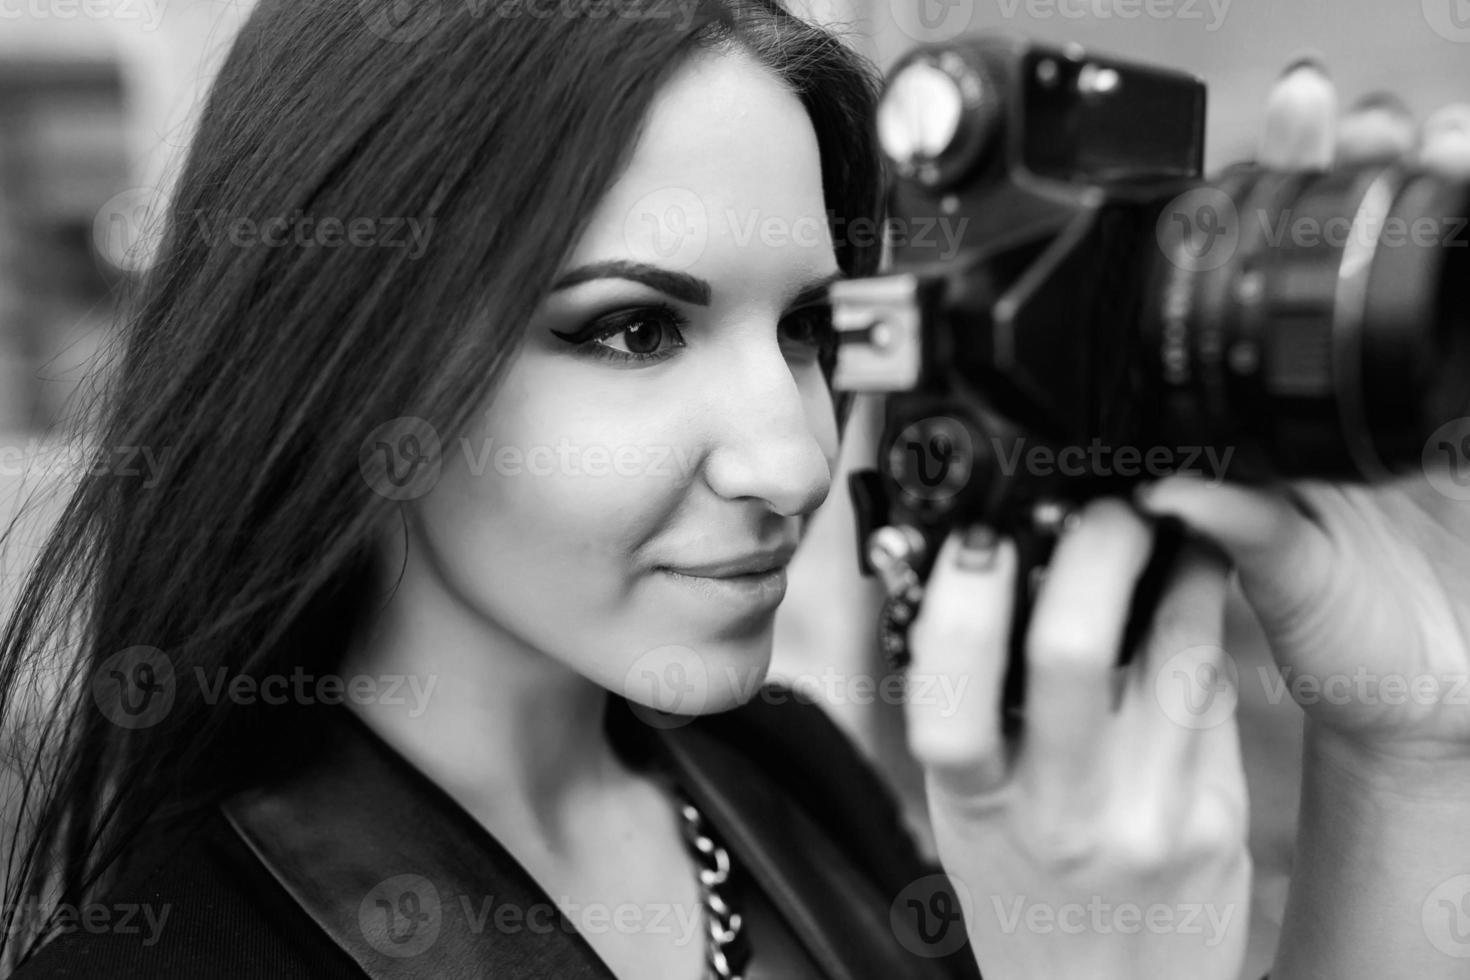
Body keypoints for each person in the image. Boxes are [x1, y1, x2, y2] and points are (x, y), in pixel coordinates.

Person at [0, 3, 1459, 980]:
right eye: (631, 329)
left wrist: (1401, 755)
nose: (800, 457)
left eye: (811, 334)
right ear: (344, 366)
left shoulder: (779, 768)